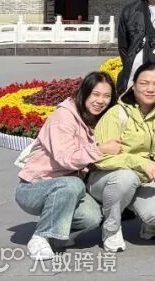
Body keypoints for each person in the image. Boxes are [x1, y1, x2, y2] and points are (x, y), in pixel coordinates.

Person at [15, 71, 117, 261]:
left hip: (68, 190)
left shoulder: (100, 121)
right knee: (72, 183)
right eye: (95, 94)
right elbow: (66, 158)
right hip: (34, 188)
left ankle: (56, 234)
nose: (100, 101)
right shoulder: (64, 117)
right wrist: (100, 149)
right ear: (84, 93)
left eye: (106, 96)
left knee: (92, 217)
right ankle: (41, 237)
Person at [88, 63, 155, 252]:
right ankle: (111, 229)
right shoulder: (117, 114)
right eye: (144, 83)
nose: (150, 89)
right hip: (108, 179)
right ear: (133, 86)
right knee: (126, 177)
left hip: (148, 181)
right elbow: (100, 158)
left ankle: (148, 224)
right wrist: (139, 162)